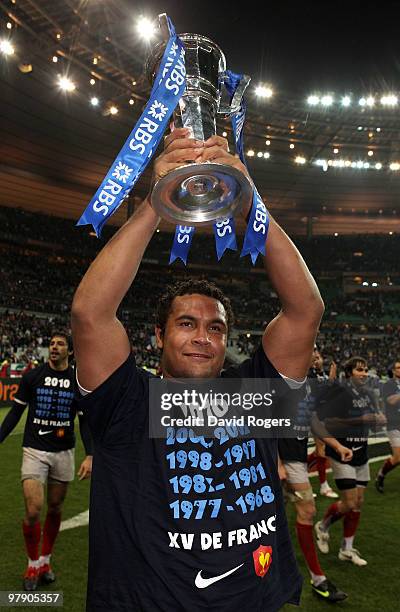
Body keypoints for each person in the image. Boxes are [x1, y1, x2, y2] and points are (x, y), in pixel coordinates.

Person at [71, 128, 324, 612]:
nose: (204, 336)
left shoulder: (254, 396)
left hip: (256, 599)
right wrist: (157, 202)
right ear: (159, 337)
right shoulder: (127, 400)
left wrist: (247, 198)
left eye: (217, 327)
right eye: (187, 324)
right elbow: (90, 314)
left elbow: (305, 309)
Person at [0, 332, 93, 591]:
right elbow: (14, 415)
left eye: (60, 344)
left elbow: (85, 422)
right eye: (51, 343)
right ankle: (32, 563)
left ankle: (45, 561)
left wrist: (90, 453)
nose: (53, 347)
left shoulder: (78, 381)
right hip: (34, 449)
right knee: (33, 509)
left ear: (70, 352)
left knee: (54, 508)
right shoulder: (33, 377)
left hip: (63, 452)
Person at [278, 351, 350, 603]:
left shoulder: (306, 385)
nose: (317, 356)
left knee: (298, 513)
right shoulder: (282, 381)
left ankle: (317, 579)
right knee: (276, 516)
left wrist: (335, 445)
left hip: (295, 458)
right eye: (313, 351)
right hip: (279, 459)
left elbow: (314, 422)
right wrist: (277, 463)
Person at [314, 356, 386, 566]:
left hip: (361, 452)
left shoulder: (367, 393)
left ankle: (346, 548)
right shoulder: (340, 393)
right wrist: (359, 420)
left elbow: (372, 418)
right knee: (350, 502)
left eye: (365, 370)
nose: (364, 374)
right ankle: (323, 526)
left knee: (358, 503)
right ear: (349, 373)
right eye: (359, 370)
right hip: (342, 452)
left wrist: (377, 420)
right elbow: (328, 422)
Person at [306, 349, 339, 498]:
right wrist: (331, 380)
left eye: (318, 357)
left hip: (325, 415)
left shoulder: (321, 375)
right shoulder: (309, 375)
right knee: (322, 449)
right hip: (314, 415)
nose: (317, 360)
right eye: (314, 358)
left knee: (322, 450)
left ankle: (299, 471)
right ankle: (323, 486)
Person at [376, 360, 400, 492]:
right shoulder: (389, 385)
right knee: (397, 457)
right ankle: (381, 475)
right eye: (398, 368)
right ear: (394, 371)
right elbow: (390, 400)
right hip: (394, 423)